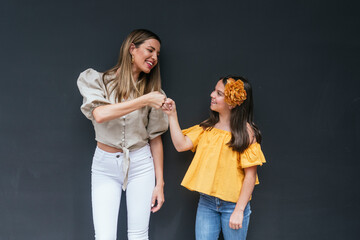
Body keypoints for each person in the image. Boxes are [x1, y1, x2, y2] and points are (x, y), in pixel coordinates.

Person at [77, 29, 168, 240]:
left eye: (157, 54)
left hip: (141, 163)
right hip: (105, 165)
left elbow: (155, 138)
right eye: (150, 50)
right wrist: (144, 100)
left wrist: (160, 184)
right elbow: (100, 114)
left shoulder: (154, 93)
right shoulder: (97, 81)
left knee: (138, 236)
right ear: (132, 48)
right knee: (104, 237)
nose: (154, 58)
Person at [162, 76, 266, 240]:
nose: (212, 95)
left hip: (234, 205)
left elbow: (250, 176)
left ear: (232, 102)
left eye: (219, 93)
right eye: (214, 91)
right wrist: (172, 115)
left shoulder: (246, 133)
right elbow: (181, 145)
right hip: (207, 203)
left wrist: (239, 210)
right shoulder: (208, 127)